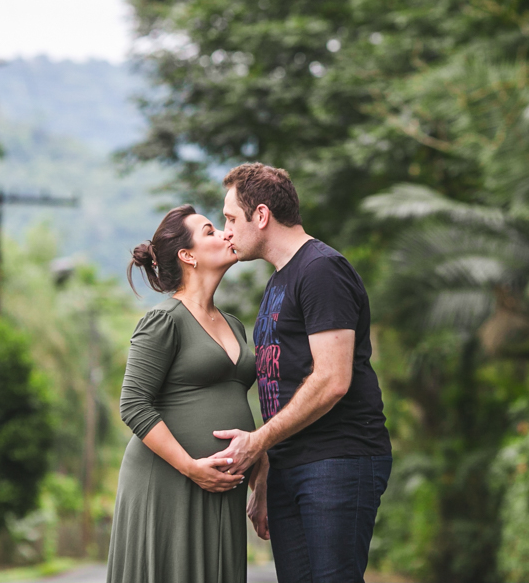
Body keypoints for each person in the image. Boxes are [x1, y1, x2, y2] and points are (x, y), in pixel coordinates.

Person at [211, 162, 393, 583]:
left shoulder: (321, 270)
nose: (226, 231)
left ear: (261, 215)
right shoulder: (279, 281)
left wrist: (257, 443)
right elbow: (284, 390)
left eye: (231, 218)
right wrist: (266, 478)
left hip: (338, 459)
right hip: (292, 465)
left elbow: (332, 380)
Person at [106, 204, 265, 583]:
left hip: (220, 488)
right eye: (211, 231)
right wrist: (191, 468)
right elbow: (132, 404)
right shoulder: (164, 320)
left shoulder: (234, 324)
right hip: (168, 482)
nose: (227, 234)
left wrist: (261, 473)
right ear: (187, 255)